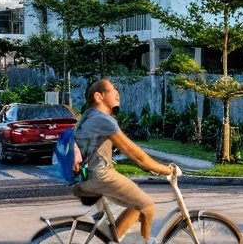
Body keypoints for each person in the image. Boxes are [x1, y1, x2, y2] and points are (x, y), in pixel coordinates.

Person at [73, 78, 176, 243]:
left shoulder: (88, 115)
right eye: (112, 89)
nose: (117, 93)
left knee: (135, 206)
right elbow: (135, 154)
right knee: (148, 206)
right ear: (99, 97)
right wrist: (167, 170)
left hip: (86, 175)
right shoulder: (103, 120)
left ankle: (112, 241)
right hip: (100, 176)